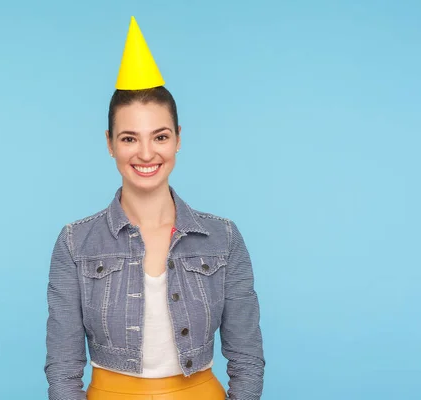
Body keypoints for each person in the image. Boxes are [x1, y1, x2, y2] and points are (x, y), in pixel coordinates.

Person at [45, 16, 265, 400]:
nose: (146, 153)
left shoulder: (224, 238)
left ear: (178, 139)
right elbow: (63, 370)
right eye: (130, 138)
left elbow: (247, 357)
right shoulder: (74, 243)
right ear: (110, 143)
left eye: (160, 136)